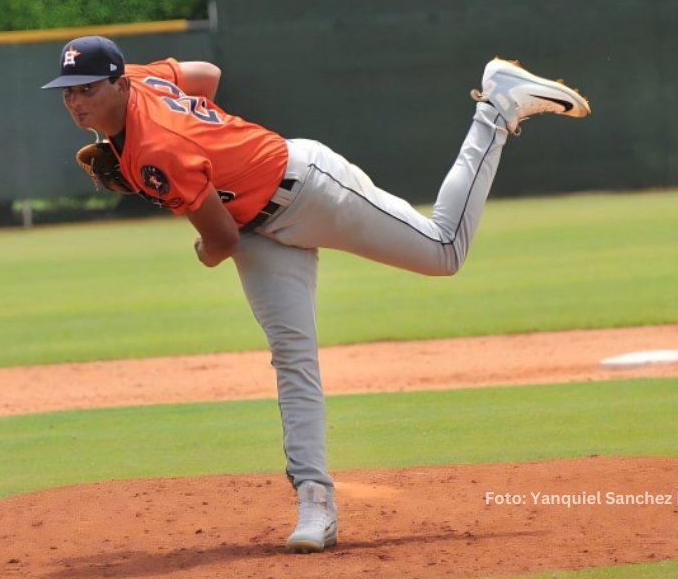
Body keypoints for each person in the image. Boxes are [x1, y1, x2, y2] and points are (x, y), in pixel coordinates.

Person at [40, 35, 590, 552]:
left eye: (88, 88)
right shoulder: (144, 80)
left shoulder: (157, 149)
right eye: (69, 92)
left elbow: (220, 241)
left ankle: (495, 107)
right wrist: (211, 132)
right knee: (293, 358)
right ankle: (315, 504)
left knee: (443, 251)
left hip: (308, 190)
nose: (76, 102)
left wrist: (197, 238)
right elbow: (205, 75)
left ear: (118, 83)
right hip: (258, 227)